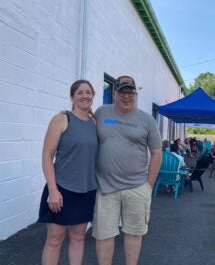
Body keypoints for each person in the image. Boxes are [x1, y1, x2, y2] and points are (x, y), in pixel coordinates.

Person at [93, 75, 162, 265]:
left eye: (130, 92)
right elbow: (84, 126)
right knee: (103, 234)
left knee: (133, 233)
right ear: (114, 93)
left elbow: (156, 153)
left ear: (135, 94)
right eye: (122, 92)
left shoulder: (147, 120)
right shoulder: (101, 113)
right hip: (106, 187)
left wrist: (148, 185)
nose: (126, 96)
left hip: (137, 187)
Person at [38, 80, 98, 265]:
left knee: (79, 237)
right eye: (79, 92)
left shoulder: (95, 123)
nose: (84, 96)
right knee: (55, 239)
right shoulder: (62, 119)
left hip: (87, 190)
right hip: (62, 188)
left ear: (93, 96)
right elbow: (47, 156)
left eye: (88, 92)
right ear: (72, 97)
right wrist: (53, 190)